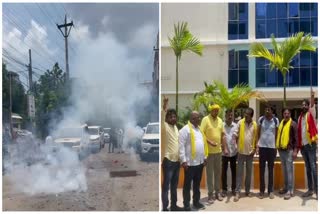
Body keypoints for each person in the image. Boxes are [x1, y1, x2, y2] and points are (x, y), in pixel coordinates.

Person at [179, 111, 208, 211]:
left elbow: (203, 144)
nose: (199, 119)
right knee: (187, 186)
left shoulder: (199, 130)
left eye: (199, 117)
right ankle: (186, 205)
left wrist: (205, 157)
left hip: (199, 163)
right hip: (189, 164)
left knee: (197, 185)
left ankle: (196, 202)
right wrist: (183, 161)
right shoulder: (185, 130)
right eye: (197, 118)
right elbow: (181, 146)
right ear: (192, 119)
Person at [200, 104, 228, 204]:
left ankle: (217, 193)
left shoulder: (220, 120)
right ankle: (210, 195)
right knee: (209, 174)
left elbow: (223, 135)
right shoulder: (205, 119)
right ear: (211, 111)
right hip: (209, 153)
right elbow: (201, 133)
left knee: (217, 173)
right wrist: (209, 142)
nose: (215, 112)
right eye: (214, 110)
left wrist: (225, 148)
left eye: (217, 110)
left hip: (218, 152)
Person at [161, 97, 183, 211]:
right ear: (167, 118)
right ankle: (165, 208)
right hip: (168, 161)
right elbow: (162, 114)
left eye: (174, 116)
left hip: (176, 161)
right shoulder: (164, 126)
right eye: (170, 116)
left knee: (174, 186)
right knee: (166, 186)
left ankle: (173, 206)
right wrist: (165, 104)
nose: (173, 118)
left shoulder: (176, 128)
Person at [233, 107, 258, 202]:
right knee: (239, 173)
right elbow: (235, 134)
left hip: (250, 153)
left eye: (247, 114)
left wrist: (255, 148)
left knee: (248, 173)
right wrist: (234, 141)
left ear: (251, 116)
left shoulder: (254, 124)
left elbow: (255, 138)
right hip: (241, 152)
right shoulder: (240, 123)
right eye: (245, 114)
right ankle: (238, 192)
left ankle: (247, 191)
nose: (245, 116)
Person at [298, 91, 318, 200]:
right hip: (304, 146)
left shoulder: (311, 114)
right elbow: (300, 132)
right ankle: (310, 190)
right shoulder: (301, 117)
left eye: (305, 105)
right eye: (303, 105)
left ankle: (317, 191)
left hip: (311, 145)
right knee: (308, 169)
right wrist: (300, 146)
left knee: (314, 168)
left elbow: (312, 105)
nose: (304, 106)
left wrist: (312, 96)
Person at [257, 105, 279, 199]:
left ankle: (270, 191)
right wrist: (258, 144)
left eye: (268, 109)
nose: (266, 111)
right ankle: (262, 191)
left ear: (272, 111)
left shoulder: (275, 120)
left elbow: (277, 133)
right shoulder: (261, 119)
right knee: (261, 170)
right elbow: (258, 132)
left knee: (270, 170)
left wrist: (276, 146)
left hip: (271, 148)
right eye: (265, 109)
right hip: (262, 147)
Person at [277, 108, 298, 200]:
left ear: (290, 114)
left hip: (289, 150)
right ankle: (285, 188)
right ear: (283, 114)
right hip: (281, 150)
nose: (286, 115)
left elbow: (296, 139)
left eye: (288, 113)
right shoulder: (281, 123)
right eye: (285, 113)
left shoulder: (293, 124)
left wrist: (295, 151)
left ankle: (290, 190)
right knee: (284, 171)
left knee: (289, 171)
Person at [221, 109, 238, 197]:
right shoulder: (221, 126)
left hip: (233, 152)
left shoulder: (235, 126)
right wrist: (223, 148)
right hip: (224, 153)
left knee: (234, 172)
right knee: (224, 172)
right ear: (225, 116)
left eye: (231, 115)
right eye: (228, 115)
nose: (230, 117)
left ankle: (234, 189)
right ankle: (224, 189)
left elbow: (237, 138)